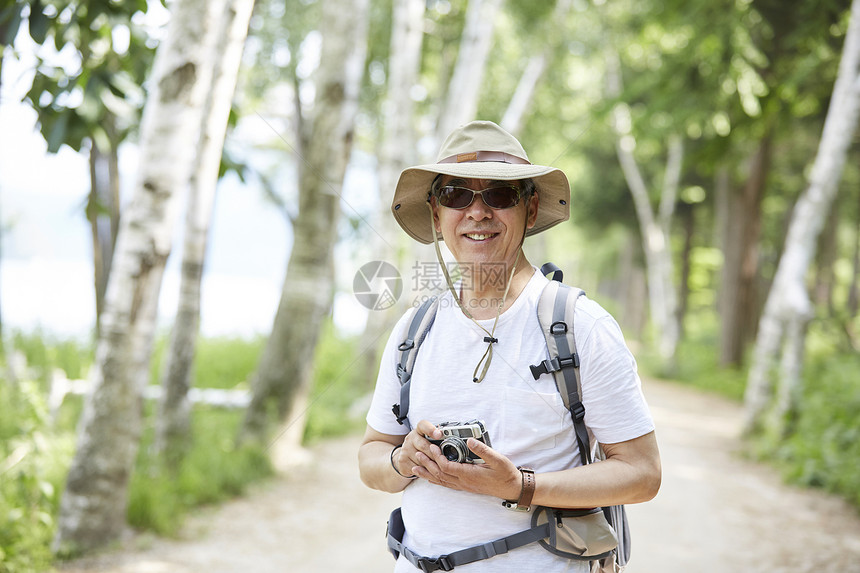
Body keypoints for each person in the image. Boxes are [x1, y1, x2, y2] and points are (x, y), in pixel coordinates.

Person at [358, 120, 661, 572]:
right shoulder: (413, 330)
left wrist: (520, 486)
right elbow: (371, 456)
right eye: (456, 194)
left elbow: (642, 474)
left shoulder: (581, 326)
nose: (477, 212)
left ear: (531, 209)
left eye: (499, 195)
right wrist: (404, 460)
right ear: (437, 215)